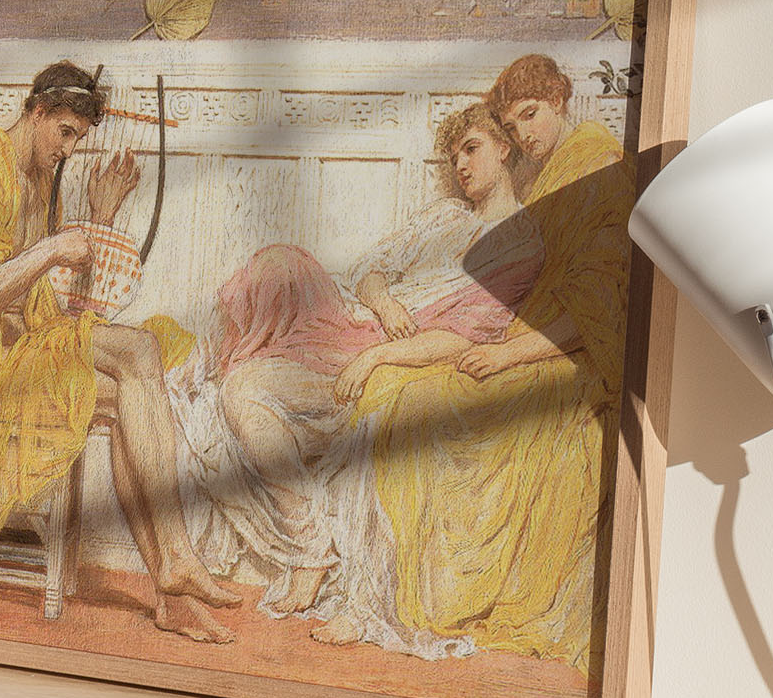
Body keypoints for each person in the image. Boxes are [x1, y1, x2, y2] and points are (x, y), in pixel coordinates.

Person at [0, 59, 240, 644]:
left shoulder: (39, 182)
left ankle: (171, 594)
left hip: (14, 349)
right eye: (65, 133)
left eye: (78, 139)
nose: (69, 150)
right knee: (140, 349)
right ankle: (178, 557)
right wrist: (53, 249)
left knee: (131, 397)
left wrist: (97, 222)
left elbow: (41, 297)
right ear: (36, 112)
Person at [171, 103, 543, 640]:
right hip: (352, 319)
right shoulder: (444, 216)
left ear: (503, 149)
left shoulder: (521, 242)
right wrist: (385, 304)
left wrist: (377, 356)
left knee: (244, 390)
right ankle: (307, 542)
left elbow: (466, 336)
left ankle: (312, 555)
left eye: (472, 149)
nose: (461, 165)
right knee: (278, 265)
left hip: (386, 356)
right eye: (454, 156)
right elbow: (372, 270)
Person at [358, 54, 634, 673]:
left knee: (432, 402)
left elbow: (599, 305)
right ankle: (412, 591)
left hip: (571, 355)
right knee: (413, 392)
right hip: (528, 338)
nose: (525, 133)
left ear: (559, 100)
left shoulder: (597, 165)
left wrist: (510, 352)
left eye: (531, 115)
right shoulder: (549, 173)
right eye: (512, 125)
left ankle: (446, 599)